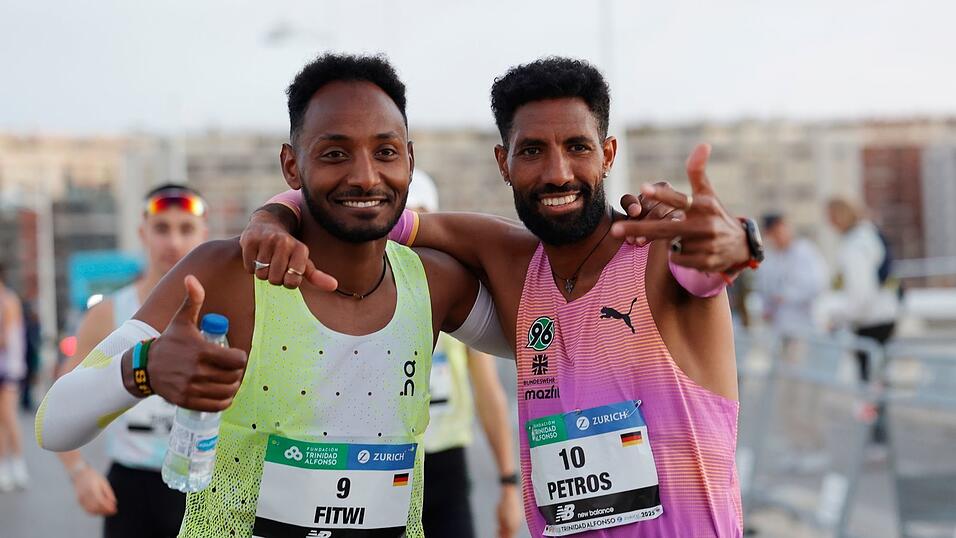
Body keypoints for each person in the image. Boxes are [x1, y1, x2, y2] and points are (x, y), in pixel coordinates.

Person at [243, 57, 760, 537]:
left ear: (607, 155)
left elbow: (711, 259)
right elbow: (362, 202)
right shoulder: (511, 260)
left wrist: (741, 239)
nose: (557, 172)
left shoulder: (659, 254)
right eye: (532, 150)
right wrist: (272, 219)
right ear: (503, 163)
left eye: (577, 147)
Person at [37, 53, 510, 538]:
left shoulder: (435, 284)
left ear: (409, 159)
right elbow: (54, 424)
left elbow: (545, 339)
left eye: (385, 152)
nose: (365, 175)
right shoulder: (228, 273)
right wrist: (143, 367)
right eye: (334, 153)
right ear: (291, 164)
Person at [54, 184, 209, 537]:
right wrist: (79, 472)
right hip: (132, 488)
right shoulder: (110, 314)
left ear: (204, 234)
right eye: (161, 228)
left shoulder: (226, 309)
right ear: (143, 234)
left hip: (204, 486)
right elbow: (61, 399)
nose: (173, 242)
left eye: (186, 228)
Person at [406, 170, 521, 538]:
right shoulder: (368, 298)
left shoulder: (454, 295)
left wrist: (508, 482)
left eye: (420, 221)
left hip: (446, 463)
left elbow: (488, 392)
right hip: (384, 466)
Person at [825, 198, 899, 382]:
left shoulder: (855, 245)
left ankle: (876, 411)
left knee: (871, 385)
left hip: (870, 320)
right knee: (880, 380)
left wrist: (839, 317)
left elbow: (860, 293)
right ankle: (879, 411)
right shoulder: (868, 234)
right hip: (884, 313)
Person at [756, 213, 828, 334]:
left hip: (804, 324)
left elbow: (817, 284)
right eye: (772, 233)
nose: (777, 236)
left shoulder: (805, 251)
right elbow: (763, 290)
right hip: (778, 327)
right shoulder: (769, 258)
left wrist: (786, 296)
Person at [0, 262, 29, 491]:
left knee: (8, 416)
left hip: (9, 368)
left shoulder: (8, 300)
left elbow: (6, 339)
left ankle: (17, 463)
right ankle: (3, 465)